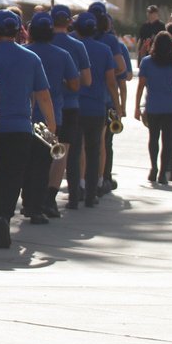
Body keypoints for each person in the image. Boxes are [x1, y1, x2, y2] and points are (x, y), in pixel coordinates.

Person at [0, 10, 55, 248]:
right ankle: (4, 215)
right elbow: (43, 96)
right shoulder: (31, 58)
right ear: (18, 31)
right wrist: (51, 128)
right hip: (20, 127)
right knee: (13, 176)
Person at [23, 11, 79, 218]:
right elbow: (75, 84)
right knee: (42, 163)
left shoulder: (24, 52)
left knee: (25, 162)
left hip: (25, 116)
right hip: (51, 117)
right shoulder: (62, 55)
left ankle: (27, 200)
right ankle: (37, 206)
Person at [73, 11, 119, 209]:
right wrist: (118, 106)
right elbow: (111, 81)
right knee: (94, 151)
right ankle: (91, 194)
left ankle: (76, 192)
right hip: (97, 107)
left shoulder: (73, 47)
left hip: (76, 107)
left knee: (76, 151)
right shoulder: (104, 49)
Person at [50, 6, 92, 210]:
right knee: (69, 153)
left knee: (44, 154)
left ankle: (41, 196)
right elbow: (87, 79)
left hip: (44, 107)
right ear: (68, 22)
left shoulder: (41, 43)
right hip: (70, 105)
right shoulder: (77, 46)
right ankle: (73, 195)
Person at [133, 31, 172, 185]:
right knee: (168, 140)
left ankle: (153, 167)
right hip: (171, 106)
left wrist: (137, 107)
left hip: (153, 105)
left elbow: (141, 85)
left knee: (153, 138)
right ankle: (163, 171)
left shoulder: (147, 62)